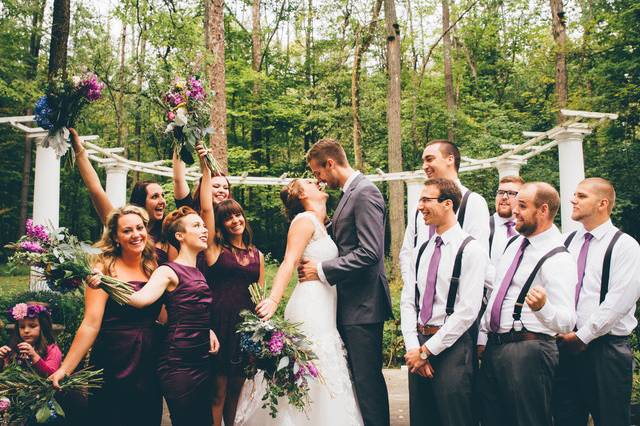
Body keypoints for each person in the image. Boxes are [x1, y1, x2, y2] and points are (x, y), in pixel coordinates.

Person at [235, 178, 363, 425]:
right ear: (302, 193)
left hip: (325, 307)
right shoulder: (304, 221)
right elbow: (289, 261)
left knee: (324, 370)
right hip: (310, 306)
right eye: (310, 181)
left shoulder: (322, 224)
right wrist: (273, 299)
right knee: (309, 369)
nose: (318, 181)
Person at [298, 138, 392, 426]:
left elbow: (370, 252)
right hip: (350, 305)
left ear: (330, 163)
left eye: (318, 173)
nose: (319, 180)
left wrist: (322, 269)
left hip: (363, 306)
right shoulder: (348, 195)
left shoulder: (364, 193)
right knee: (358, 384)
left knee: (367, 384)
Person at [49, 205, 163, 426]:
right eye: (127, 230)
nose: (136, 234)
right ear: (116, 237)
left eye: (140, 228)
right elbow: (91, 324)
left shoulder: (154, 266)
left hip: (149, 357)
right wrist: (65, 368)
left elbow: (166, 315)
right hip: (114, 357)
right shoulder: (102, 270)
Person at [478, 182, 577, 426]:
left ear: (542, 210)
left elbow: (567, 321)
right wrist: (483, 337)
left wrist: (543, 307)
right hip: (495, 348)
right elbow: (497, 294)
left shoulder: (558, 257)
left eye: (522, 205)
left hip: (530, 351)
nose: (514, 210)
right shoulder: (514, 245)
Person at [553, 178, 640, 426]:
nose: (573, 200)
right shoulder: (566, 240)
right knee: (565, 418)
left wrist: (583, 336)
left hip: (606, 350)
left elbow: (620, 299)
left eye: (581, 196)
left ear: (602, 203)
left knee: (611, 419)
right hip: (565, 347)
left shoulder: (625, 246)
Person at [401, 178, 487, 426]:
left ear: (447, 203)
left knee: (455, 419)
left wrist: (428, 351)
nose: (420, 206)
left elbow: (468, 310)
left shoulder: (471, 250)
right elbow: (409, 300)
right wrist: (413, 348)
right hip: (418, 345)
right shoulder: (421, 250)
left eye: (426, 200)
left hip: (453, 347)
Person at [69, 128, 174, 264]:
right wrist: (79, 150)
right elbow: (96, 190)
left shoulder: (168, 234)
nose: (162, 201)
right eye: (155, 197)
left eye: (163, 195)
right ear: (141, 202)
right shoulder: (120, 223)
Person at [202, 196, 264, 424]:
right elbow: (207, 209)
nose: (235, 220)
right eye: (227, 218)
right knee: (218, 392)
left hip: (246, 330)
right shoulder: (214, 249)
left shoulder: (258, 255)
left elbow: (260, 294)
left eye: (238, 215)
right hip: (219, 325)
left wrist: (264, 330)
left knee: (237, 392)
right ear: (220, 224)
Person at [1, 302, 61, 376]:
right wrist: (1, 358)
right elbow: (5, 371)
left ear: (43, 327)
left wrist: (34, 356)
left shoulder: (52, 349)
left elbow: (51, 374)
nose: (26, 331)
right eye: (22, 327)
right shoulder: (15, 348)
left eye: (32, 326)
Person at [489, 176, 525, 262]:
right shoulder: (483, 227)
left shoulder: (528, 229)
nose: (504, 197)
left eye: (511, 193)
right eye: (500, 192)